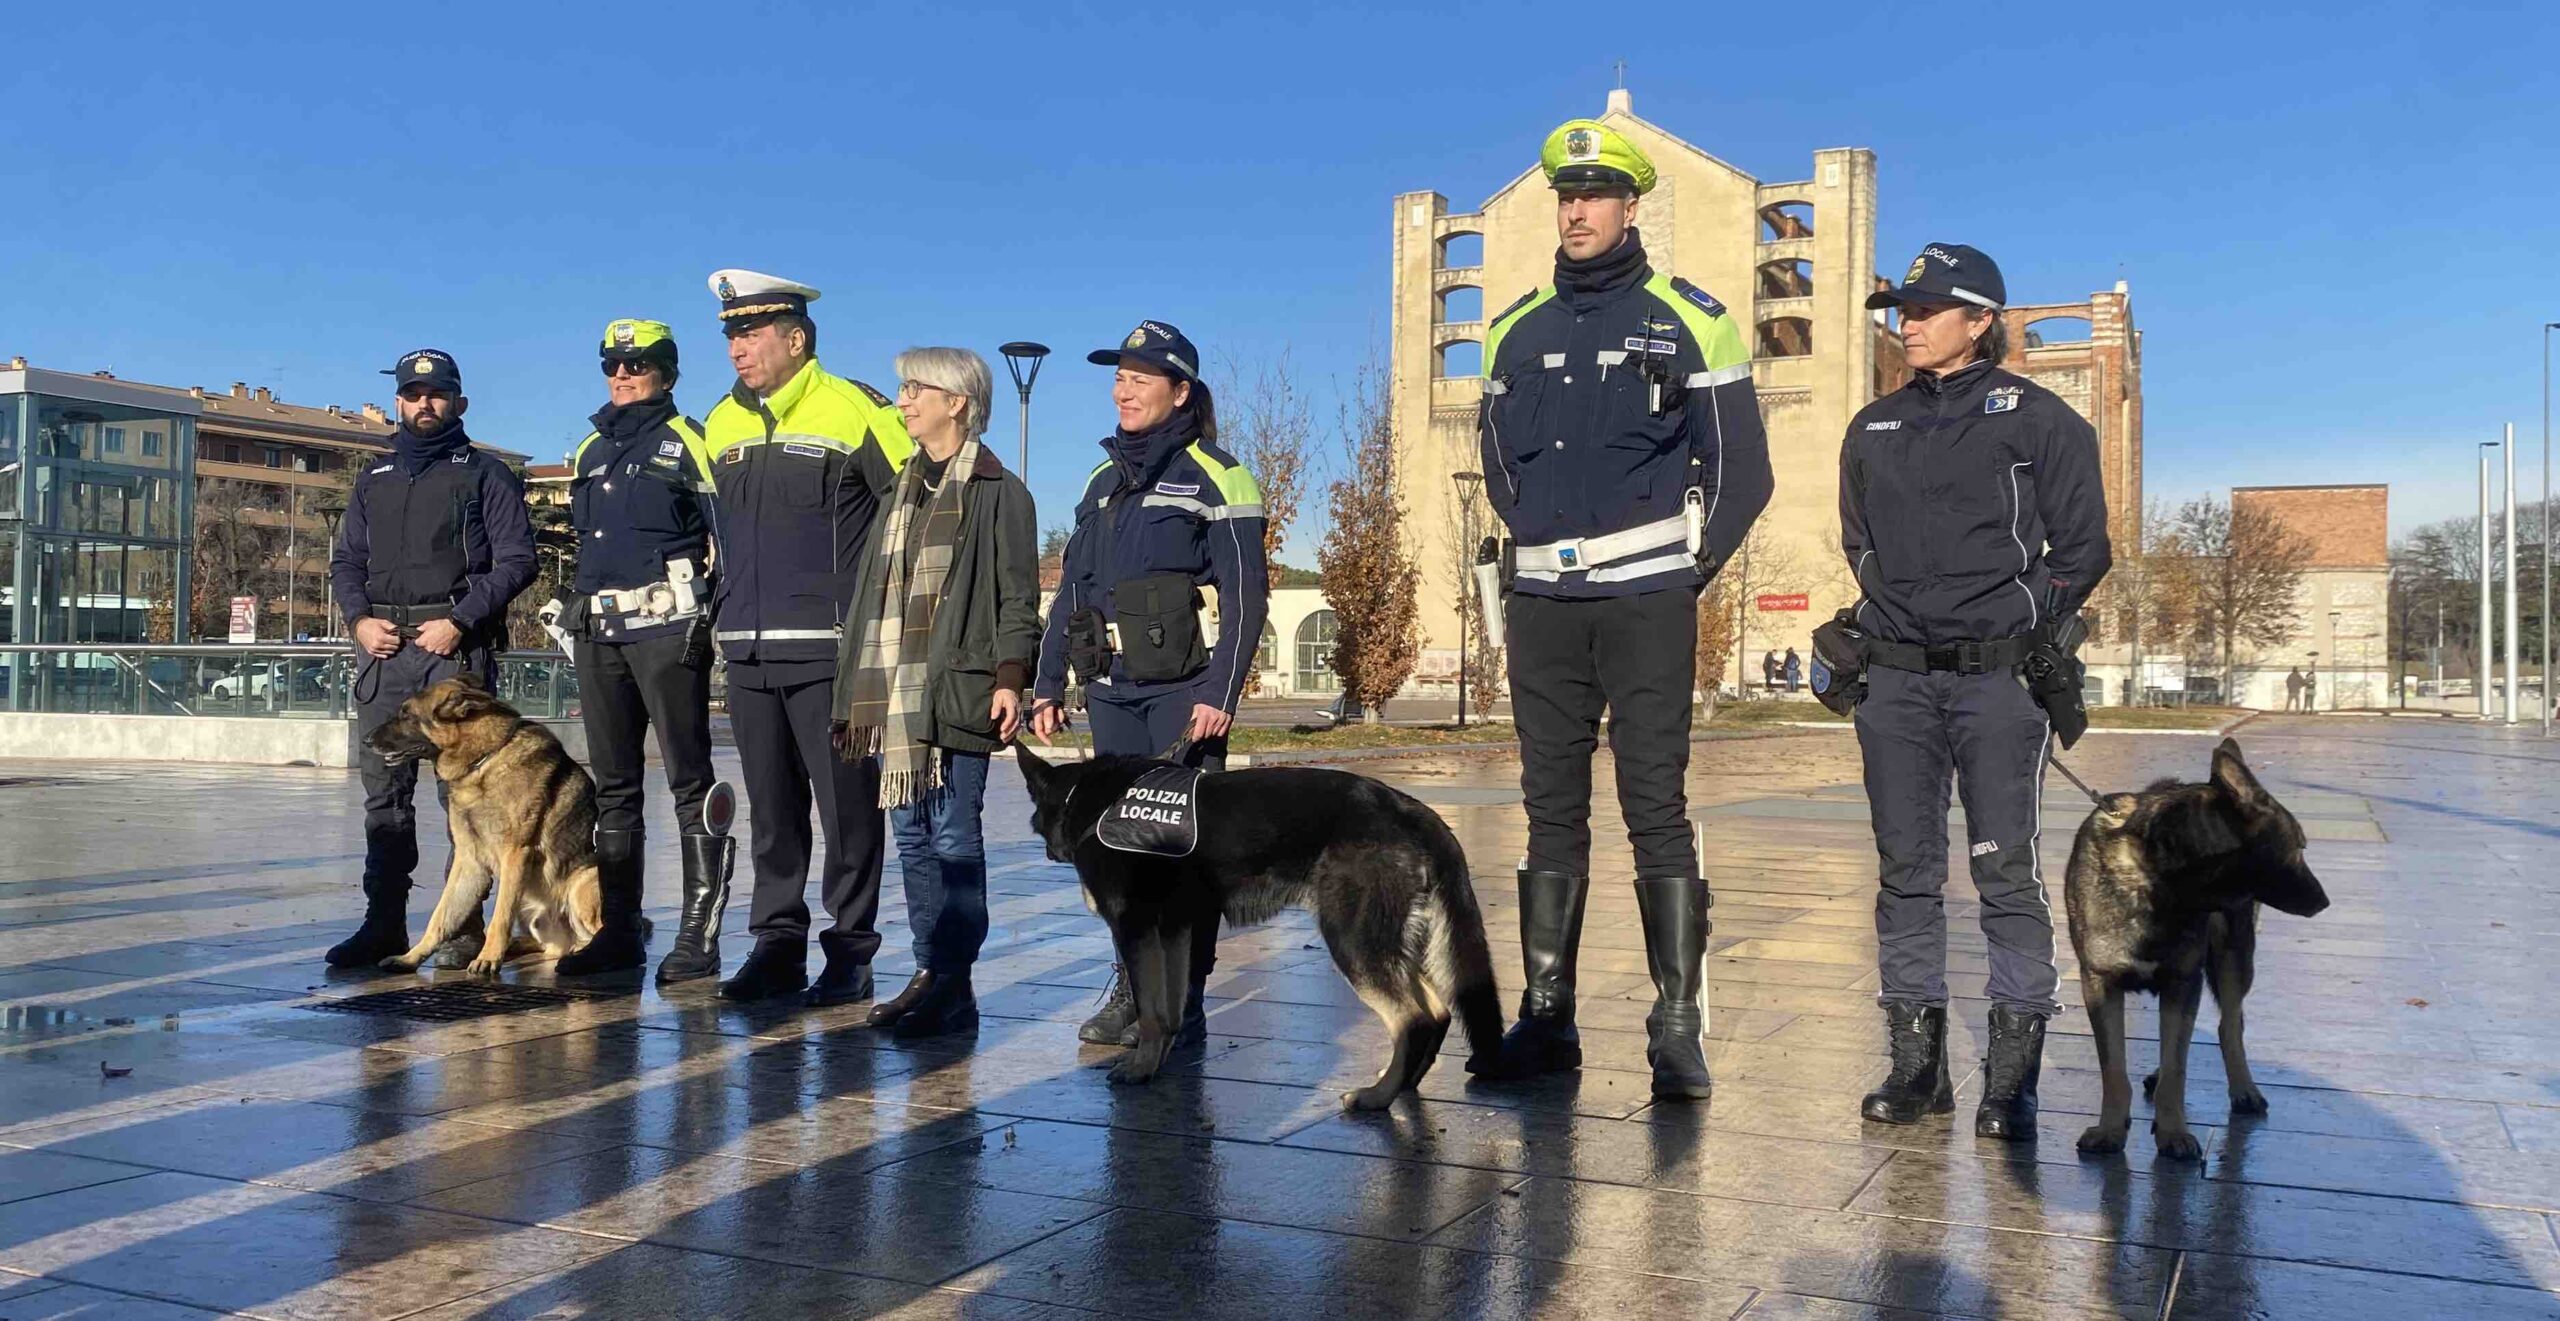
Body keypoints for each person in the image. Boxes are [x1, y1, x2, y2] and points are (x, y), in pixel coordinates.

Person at [1463, 119, 1772, 1101]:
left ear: (1630, 205)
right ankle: (1546, 1020)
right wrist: (1538, 551)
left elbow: (1742, 474)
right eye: (1565, 195)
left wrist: (1684, 572)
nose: (1576, 209)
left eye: (1594, 195)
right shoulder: (1513, 329)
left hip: (1646, 600)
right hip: (1543, 603)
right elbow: (1496, 462)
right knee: (1548, 812)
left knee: (1654, 807)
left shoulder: (1692, 318)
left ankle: (1675, 1023)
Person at [1841, 243, 2112, 1140]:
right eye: (1899, 308)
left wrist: (2035, 627)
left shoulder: (2041, 422)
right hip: (1898, 686)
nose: (1905, 322)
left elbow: (2083, 552)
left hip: (1998, 684)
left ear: (1981, 320)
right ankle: (1917, 1067)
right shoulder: (1872, 428)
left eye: (1924, 308)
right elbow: (1858, 543)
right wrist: (1886, 621)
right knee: (1905, 873)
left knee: (2004, 870)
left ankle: (2012, 1077)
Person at [1030, 319, 1268, 1049]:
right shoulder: (1103, 481)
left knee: (1180, 857)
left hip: (1180, 696)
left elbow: (1248, 596)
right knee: (1120, 854)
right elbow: (1073, 588)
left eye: (1140, 377)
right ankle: (1134, 988)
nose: (1122, 388)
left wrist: (1218, 697)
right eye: (1118, 376)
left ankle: (1182, 1002)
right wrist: (1047, 683)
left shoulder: (1218, 476)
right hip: (1111, 693)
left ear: (1181, 391)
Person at [699, 270, 914, 1005]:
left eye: (750, 333)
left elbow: (914, 510)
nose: (736, 348)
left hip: (832, 654)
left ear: (795, 338)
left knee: (848, 811)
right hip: (749, 654)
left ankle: (850, 953)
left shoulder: (856, 410)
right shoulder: (718, 423)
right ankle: (777, 944)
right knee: (772, 811)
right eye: (730, 334)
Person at [834, 346, 1040, 1038]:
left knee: (953, 836)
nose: (904, 400)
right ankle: (931, 974)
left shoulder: (999, 490)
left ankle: (952, 979)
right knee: (913, 838)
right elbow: (874, 598)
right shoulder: (899, 488)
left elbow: (1018, 597)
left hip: (959, 693)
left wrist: (1013, 678)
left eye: (917, 388)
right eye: (901, 387)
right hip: (896, 699)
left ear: (957, 401)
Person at [323, 349, 537, 968]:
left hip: (452, 654)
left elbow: (517, 560)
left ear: (458, 402)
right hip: (383, 651)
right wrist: (358, 620)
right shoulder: (375, 477)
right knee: (383, 796)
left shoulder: (485, 474)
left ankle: (460, 928)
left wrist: (460, 620)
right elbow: (346, 564)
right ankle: (382, 923)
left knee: (466, 798)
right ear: (398, 401)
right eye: (414, 394)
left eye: (437, 394)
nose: (425, 404)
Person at [549, 319, 724, 979]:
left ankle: (697, 938)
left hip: (669, 629)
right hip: (601, 633)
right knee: (614, 787)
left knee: (688, 781)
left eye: (638, 365)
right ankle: (618, 929)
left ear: (668, 373)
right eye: (612, 366)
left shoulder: (689, 442)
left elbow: (725, 538)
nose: (622, 375)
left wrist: (712, 616)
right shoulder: (590, 449)